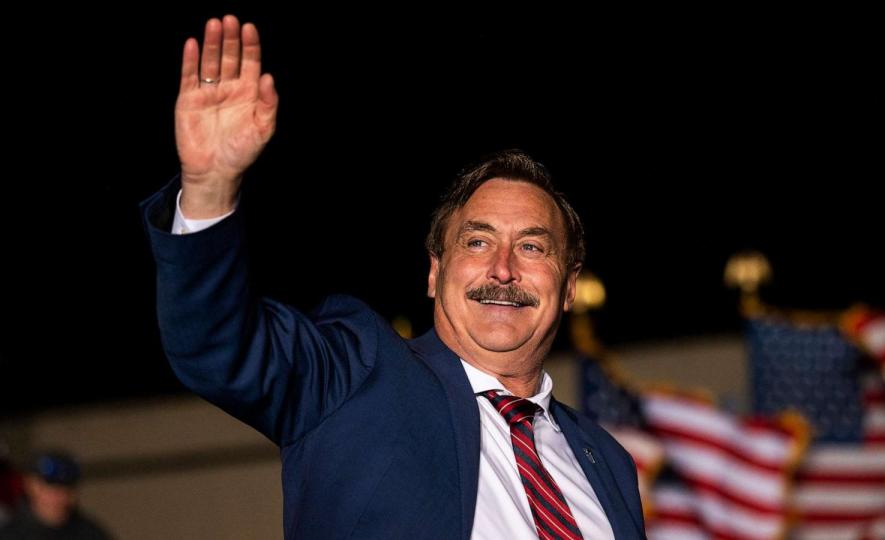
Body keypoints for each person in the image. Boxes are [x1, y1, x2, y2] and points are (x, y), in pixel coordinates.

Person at [141, 14, 645, 539]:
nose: (502, 268)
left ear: (567, 287)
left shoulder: (608, 461)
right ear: (434, 273)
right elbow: (216, 345)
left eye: (532, 246)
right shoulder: (359, 373)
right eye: (477, 242)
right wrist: (209, 191)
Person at [0, 451, 111, 540]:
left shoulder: (90, 534)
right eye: (51, 490)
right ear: (30, 486)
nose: (60, 498)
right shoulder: (9, 534)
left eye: (67, 490)